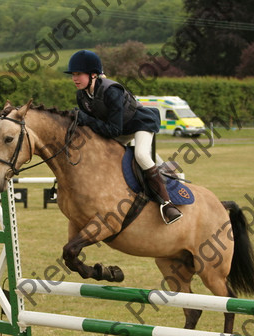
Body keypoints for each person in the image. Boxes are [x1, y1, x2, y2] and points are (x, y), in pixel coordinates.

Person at [65, 49, 182, 224]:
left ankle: (167, 203)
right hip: (119, 129)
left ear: (94, 75)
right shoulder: (82, 96)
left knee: (141, 155)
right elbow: (91, 126)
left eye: (78, 74)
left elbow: (113, 130)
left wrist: (86, 119)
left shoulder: (112, 91)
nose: (74, 78)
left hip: (139, 124)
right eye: (73, 74)